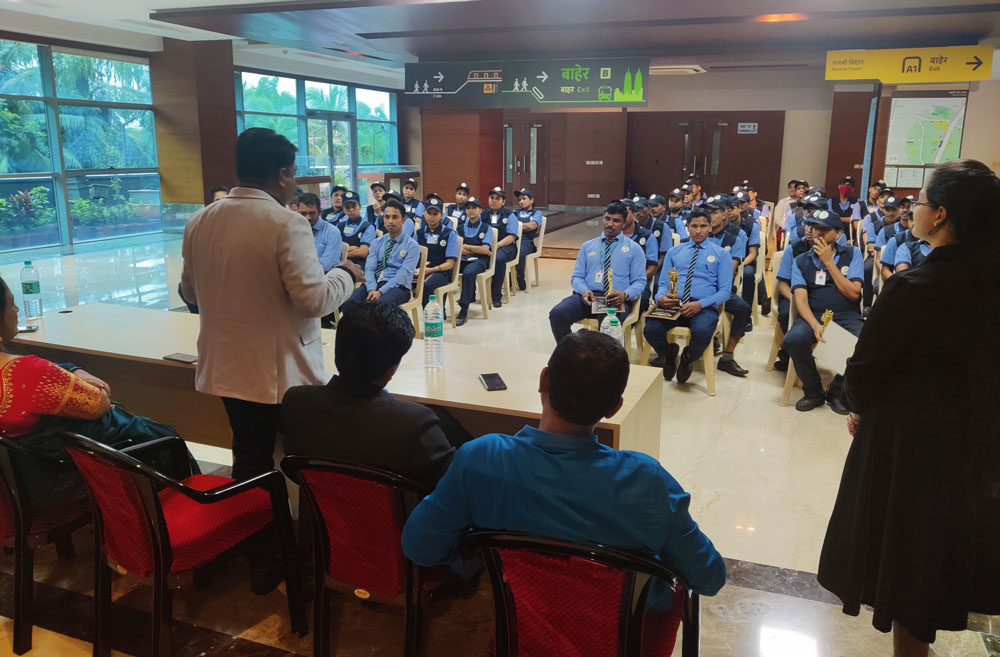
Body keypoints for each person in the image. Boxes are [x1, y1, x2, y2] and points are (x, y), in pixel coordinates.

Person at [818, 159, 1000, 657]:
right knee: (948, 551)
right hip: (978, 442)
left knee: (908, 559)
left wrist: (857, 405)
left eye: (919, 201)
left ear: (940, 214)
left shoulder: (914, 288)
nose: (912, 209)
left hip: (910, 446)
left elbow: (865, 370)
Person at [401, 331, 726, 600]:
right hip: (614, 634)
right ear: (614, 408)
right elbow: (709, 577)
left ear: (543, 380)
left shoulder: (481, 457)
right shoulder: (647, 481)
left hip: (520, 621)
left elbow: (420, 547)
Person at [181, 128, 362, 479]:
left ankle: (253, 509)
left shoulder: (199, 221)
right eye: (293, 174)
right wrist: (346, 274)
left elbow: (190, 293)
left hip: (225, 367)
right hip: (276, 375)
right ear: (282, 175)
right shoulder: (287, 223)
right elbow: (314, 301)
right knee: (303, 461)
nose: (294, 184)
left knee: (250, 456)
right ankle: (279, 511)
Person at [0, 276, 196, 511]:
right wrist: (84, 378)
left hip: (16, 484)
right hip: (51, 479)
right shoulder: (26, 372)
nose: (17, 309)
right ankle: (184, 512)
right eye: (11, 303)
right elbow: (99, 403)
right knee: (166, 439)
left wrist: (71, 370)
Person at [280, 303, 455, 488]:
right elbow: (452, 484)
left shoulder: (295, 402)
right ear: (390, 370)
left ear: (337, 350)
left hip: (320, 505)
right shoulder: (417, 423)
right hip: (401, 508)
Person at [781, 209, 864, 414]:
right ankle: (813, 392)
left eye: (824, 229)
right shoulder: (801, 260)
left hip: (846, 314)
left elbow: (854, 293)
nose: (817, 232)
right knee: (793, 340)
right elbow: (800, 300)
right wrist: (815, 324)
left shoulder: (852, 253)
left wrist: (829, 262)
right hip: (814, 314)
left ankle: (836, 391)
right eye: (814, 227)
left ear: (838, 233)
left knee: (864, 344)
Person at [643, 209, 732, 383]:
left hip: (703, 305)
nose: (698, 231)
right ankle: (668, 353)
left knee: (702, 332)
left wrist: (700, 304)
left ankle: (687, 357)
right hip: (674, 303)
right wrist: (660, 297)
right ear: (688, 228)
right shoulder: (674, 252)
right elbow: (663, 283)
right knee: (651, 329)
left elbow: (725, 291)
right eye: (694, 226)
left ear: (710, 227)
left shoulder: (721, 254)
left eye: (703, 226)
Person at [548, 202, 646, 343]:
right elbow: (577, 277)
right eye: (607, 219)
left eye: (616, 221)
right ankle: (572, 352)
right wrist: (584, 290)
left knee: (608, 326)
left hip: (614, 300)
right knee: (557, 314)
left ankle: (602, 357)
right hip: (589, 297)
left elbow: (640, 281)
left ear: (624, 224)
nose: (610, 224)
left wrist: (625, 294)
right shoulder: (588, 246)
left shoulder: (634, 249)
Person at [341, 199, 420, 312]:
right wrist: (371, 289)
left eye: (395, 217)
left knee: (380, 307)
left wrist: (381, 291)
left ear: (403, 220)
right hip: (374, 283)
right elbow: (369, 268)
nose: (390, 221)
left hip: (398, 287)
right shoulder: (377, 242)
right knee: (350, 303)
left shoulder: (411, 245)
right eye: (387, 217)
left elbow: (403, 275)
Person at [703, 197, 751, 375]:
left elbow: (728, 272)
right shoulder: (697, 236)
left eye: (714, 212)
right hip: (695, 289)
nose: (710, 216)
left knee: (743, 308)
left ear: (724, 214)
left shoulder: (734, 239)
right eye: (707, 212)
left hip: (720, 289)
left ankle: (727, 356)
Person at [455, 197, 494, 327]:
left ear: (480, 210)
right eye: (468, 208)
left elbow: (485, 250)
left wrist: (468, 247)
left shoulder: (486, 228)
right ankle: (441, 308)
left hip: (480, 260)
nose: (471, 210)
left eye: (474, 207)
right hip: (463, 258)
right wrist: (474, 249)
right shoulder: (459, 228)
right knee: (447, 270)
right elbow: (457, 248)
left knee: (469, 272)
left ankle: (463, 309)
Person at [415, 196, 458, 307]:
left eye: (435, 214)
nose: (431, 216)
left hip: (441, 271)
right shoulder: (419, 233)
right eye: (429, 213)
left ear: (441, 215)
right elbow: (413, 254)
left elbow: (450, 263)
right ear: (424, 213)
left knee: (426, 286)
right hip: (421, 269)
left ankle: (434, 314)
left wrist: (431, 270)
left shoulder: (450, 234)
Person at [484, 186, 518, 308]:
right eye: (491, 197)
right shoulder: (483, 213)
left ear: (503, 202)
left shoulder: (510, 215)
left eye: (497, 198)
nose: (493, 200)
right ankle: (470, 295)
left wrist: (497, 246)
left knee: (498, 259)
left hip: (505, 246)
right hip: (487, 246)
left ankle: (496, 296)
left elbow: (511, 236)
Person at [297, 192, 342, 273]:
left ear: (320, 212)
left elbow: (325, 266)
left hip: (325, 276)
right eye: (303, 214)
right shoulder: (295, 230)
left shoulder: (332, 232)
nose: (307, 217)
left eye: (312, 213)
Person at [513, 188, 543, 290]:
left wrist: (516, 225)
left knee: (519, 253)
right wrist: (523, 226)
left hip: (527, 243)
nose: (521, 201)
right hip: (514, 240)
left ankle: (520, 277)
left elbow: (532, 226)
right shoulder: (515, 212)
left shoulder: (537, 213)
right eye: (519, 199)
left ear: (531, 200)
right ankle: (509, 277)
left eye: (524, 198)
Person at [336, 191, 376, 268]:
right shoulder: (339, 226)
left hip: (359, 267)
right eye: (347, 207)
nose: (351, 210)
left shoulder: (368, 227)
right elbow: (333, 248)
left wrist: (342, 253)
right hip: (339, 265)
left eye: (354, 206)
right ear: (343, 209)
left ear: (360, 207)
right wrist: (355, 248)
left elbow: (363, 252)